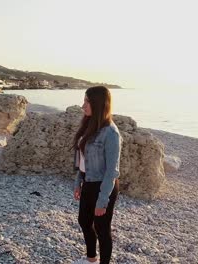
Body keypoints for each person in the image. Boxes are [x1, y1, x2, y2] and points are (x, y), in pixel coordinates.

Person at [72, 86, 122, 264]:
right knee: (84, 221)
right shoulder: (88, 124)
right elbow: (82, 159)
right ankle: (91, 259)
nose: (83, 105)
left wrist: (103, 200)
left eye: (87, 101)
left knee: (102, 228)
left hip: (103, 185)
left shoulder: (111, 133)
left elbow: (112, 171)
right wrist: (78, 182)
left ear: (99, 104)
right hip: (88, 181)